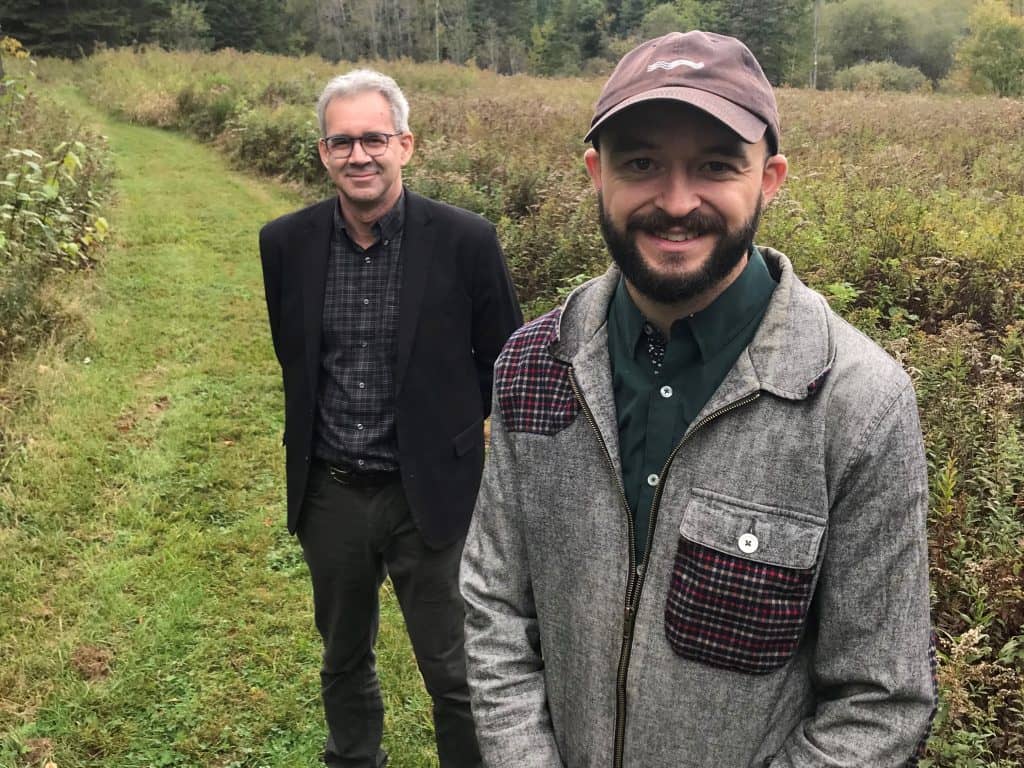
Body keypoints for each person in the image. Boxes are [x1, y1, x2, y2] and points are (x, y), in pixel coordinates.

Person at [461, 31, 935, 768]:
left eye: (715, 166)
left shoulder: (858, 404)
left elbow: (881, 703)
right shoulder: (533, 361)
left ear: (770, 178)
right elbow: (495, 604)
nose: (676, 203)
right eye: (641, 163)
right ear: (596, 172)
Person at [259, 69, 522, 768]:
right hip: (331, 491)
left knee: (457, 672)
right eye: (341, 142)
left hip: (432, 496)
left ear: (406, 144)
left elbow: (504, 360)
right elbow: (296, 358)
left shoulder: (466, 241)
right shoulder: (285, 243)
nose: (359, 155)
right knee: (343, 657)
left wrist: (452, 436)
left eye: (374, 138)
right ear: (323, 153)